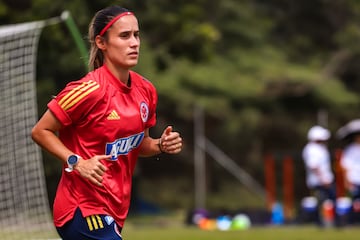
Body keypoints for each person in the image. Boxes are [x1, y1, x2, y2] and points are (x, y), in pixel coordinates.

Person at [31, 5, 183, 240]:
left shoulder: (146, 90)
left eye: (136, 34)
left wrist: (161, 145)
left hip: (115, 209)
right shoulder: (88, 90)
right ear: (101, 42)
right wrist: (77, 162)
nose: (134, 43)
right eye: (124, 36)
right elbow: (41, 131)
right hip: (82, 208)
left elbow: (140, 145)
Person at [302, 125, 336, 225]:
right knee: (323, 202)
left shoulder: (320, 148)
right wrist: (323, 179)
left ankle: (328, 222)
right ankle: (323, 223)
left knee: (328, 202)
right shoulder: (312, 149)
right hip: (319, 182)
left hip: (324, 180)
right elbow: (314, 166)